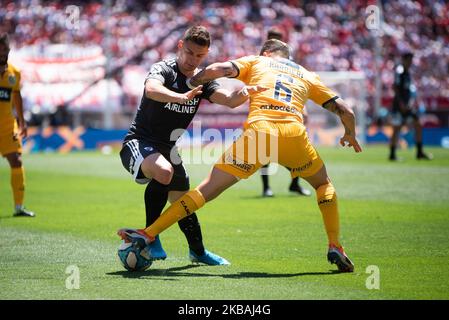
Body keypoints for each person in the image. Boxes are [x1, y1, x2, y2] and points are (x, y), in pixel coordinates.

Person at [118, 39, 362, 273]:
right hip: (294, 135)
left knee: (204, 190)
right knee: (322, 184)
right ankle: (334, 244)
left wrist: (196, 81)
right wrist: (350, 134)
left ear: (266, 53)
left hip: (259, 134)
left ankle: (149, 234)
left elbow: (218, 69)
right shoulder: (306, 74)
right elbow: (345, 110)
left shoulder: (258, 61)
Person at [119, 26, 266, 265]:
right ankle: (151, 235)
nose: (192, 60)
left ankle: (198, 251)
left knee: (183, 202)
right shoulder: (164, 69)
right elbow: (152, 89)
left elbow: (229, 101)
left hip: (168, 149)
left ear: (206, 55)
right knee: (164, 172)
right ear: (180, 46)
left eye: (199, 56)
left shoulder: (203, 80)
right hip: (139, 142)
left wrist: (246, 92)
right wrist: (180, 96)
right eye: (189, 52)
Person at [260, 28, 311, 198]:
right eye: (274, 39)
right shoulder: (261, 60)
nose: (277, 43)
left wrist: (304, 108)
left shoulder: (289, 61)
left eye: (280, 40)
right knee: (265, 152)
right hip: (266, 110)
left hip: (287, 111)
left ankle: (295, 183)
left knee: (295, 151)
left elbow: (297, 87)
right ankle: (266, 188)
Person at [0, 33, 35, 217]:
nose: (2, 53)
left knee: (17, 160)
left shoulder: (14, 73)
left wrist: (21, 122)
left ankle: (18, 207)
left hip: (7, 126)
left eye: (4, 49)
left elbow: (17, 97)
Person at [389, 52, 432, 161]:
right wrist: (401, 103)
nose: (410, 62)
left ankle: (419, 152)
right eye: (409, 60)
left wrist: (411, 102)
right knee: (397, 128)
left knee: (418, 124)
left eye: (411, 60)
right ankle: (392, 154)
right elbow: (396, 88)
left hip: (408, 106)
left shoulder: (408, 73)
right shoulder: (400, 71)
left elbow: (410, 90)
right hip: (399, 106)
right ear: (404, 60)